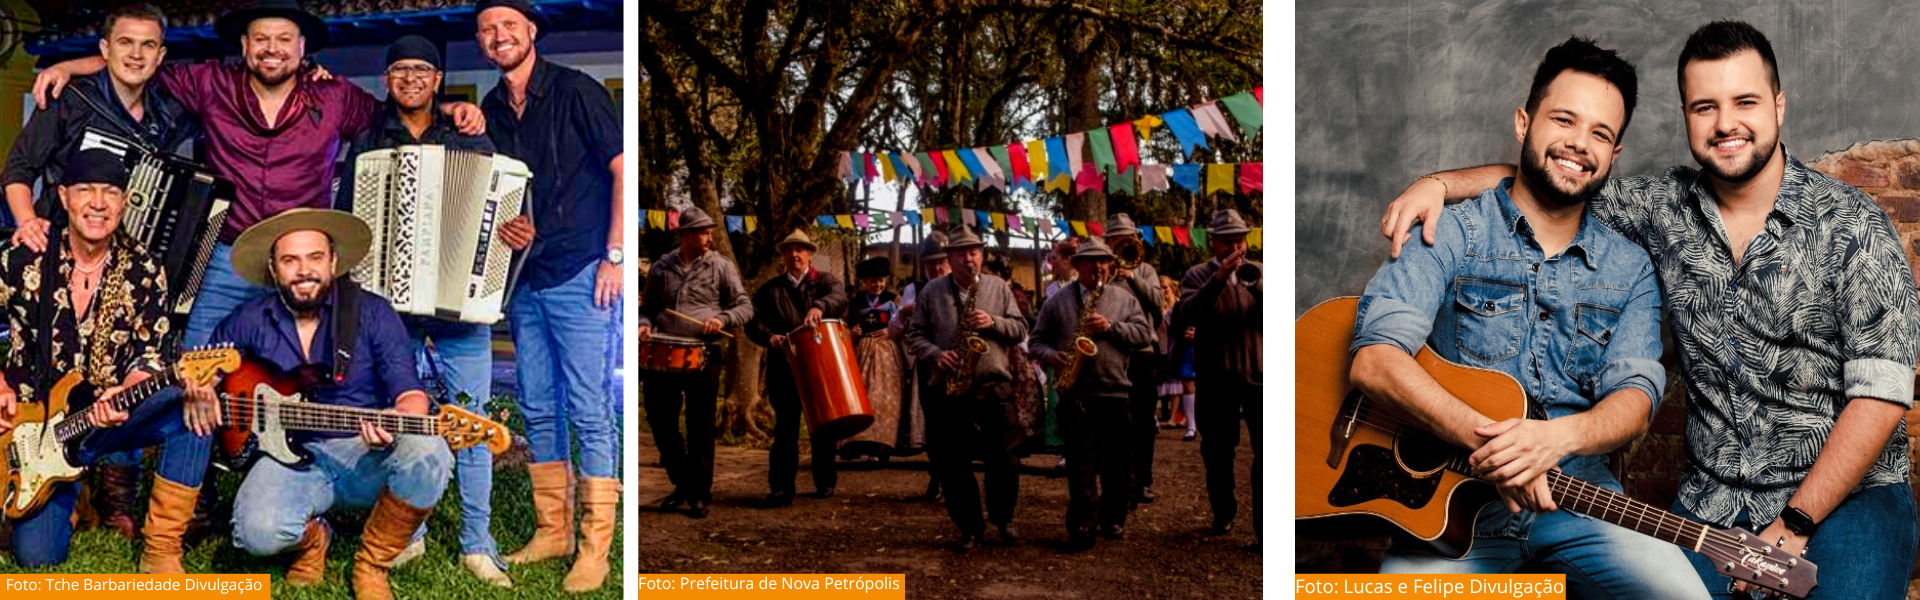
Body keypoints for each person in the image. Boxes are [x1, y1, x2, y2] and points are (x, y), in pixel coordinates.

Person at [1381, 22, 1919, 600]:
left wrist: (1797, 523)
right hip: (1712, 504)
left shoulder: (1855, 224)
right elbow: (1552, 178)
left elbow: (1881, 397)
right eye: (1705, 106)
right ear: (1686, 114)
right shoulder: (1662, 208)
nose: (1726, 124)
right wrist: (1437, 185)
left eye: (1745, 102)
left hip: (1845, 500)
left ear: (1779, 107)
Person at [1351, 36, 1721, 599]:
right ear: (1524, 123)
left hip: (1581, 499)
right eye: (1564, 120)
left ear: (1614, 155)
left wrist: (1554, 440)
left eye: (1600, 133)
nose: (1578, 144)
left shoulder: (1630, 265)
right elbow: (1375, 362)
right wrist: (1500, 452)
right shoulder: (1448, 230)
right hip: (1449, 509)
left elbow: (1636, 399)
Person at [30, 0, 487, 350]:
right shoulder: (210, 83)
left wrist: (447, 107)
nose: (273, 49)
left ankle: (291, 471)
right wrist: (67, 65)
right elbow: (137, 68)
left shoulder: (334, 97)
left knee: (304, 376)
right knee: (194, 374)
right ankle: (181, 479)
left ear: (302, 48)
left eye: (284, 39)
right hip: (226, 258)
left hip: (303, 264)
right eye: (261, 39)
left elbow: (395, 117)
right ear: (245, 46)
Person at [331, 34, 533, 588]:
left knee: (471, 421)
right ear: (388, 79)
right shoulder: (369, 140)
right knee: (403, 424)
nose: (411, 79)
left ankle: (477, 542)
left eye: (422, 70)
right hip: (388, 314)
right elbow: (348, 224)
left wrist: (513, 235)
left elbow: (498, 213)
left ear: (439, 79)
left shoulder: (470, 136)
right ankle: (407, 537)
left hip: (459, 311)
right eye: (400, 70)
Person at [0, 2, 201, 543]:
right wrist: (25, 225)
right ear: (104, 49)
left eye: (148, 46)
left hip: (126, 260)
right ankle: (54, 469)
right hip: (51, 253)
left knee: (140, 376)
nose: (136, 54)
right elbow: (18, 171)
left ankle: (120, 492)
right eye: (124, 44)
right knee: (34, 556)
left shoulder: (167, 115)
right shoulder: (68, 97)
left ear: (161, 55)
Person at [181, 209, 448, 600]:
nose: (304, 271)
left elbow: (410, 392)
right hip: (292, 459)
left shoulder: (372, 313)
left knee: (430, 450)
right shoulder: (250, 318)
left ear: (333, 262)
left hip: (364, 454)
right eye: (290, 260)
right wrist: (201, 386)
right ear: (274, 269)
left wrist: (397, 418)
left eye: (315, 258)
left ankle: (372, 565)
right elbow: (210, 366)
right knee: (254, 533)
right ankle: (313, 539)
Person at [473, 0, 625, 590]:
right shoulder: (490, 107)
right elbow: (510, 189)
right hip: (525, 278)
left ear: (531, 32)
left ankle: (594, 548)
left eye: (509, 25)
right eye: (487, 29)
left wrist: (613, 258)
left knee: (589, 409)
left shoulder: (576, 90)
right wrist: (515, 224)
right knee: (538, 405)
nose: (498, 36)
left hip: (581, 271)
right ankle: (553, 530)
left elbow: (620, 168)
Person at [0, 149, 203, 571]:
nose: (97, 203)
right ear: (63, 196)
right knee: (37, 559)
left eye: (110, 192)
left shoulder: (144, 268)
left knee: (194, 407)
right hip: (33, 429)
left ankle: (161, 548)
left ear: (125, 202)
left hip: (108, 414)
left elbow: (150, 350)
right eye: (85, 191)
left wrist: (130, 388)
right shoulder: (24, 257)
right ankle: (74, 493)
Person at [903, 227, 1030, 552]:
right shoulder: (932, 292)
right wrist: (935, 353)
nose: (968, 259)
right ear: (950, 259)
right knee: (953, 461)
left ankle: (1003, 517)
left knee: (1004, 456)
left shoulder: (999, 287)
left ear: (982, 255)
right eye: (961, 253)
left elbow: (1020, 329)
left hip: (993, 383)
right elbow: (914, 334)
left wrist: (993, 323)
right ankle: (969, 526)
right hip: (950, 387)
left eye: (974, 252)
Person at [1030, 238, 1153, 552]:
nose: (1098, 266)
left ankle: (1113, 518)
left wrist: (1112, 327)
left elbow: (1143, 335)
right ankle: (1083, 525)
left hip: (1115, 393)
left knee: (1117, 463)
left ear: (1110, 265)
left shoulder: (1124, 300)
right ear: (1077, 265)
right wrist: (1050, 355)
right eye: (1091, 261)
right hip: (1076, 394)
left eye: (1104, 261)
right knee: (1080, 464)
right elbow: (1036, 341)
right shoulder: (1057, 302)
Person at [637, 207, 752, 520]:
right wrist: (644, 324)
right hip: (662, 354)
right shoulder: (661, 267)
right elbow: (646, 308)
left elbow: (744, 307)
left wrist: (722, 318)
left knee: (700, 426)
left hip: (704, 351)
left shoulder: (721, 266)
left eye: (711, 231)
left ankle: (699, 494)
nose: (710, 237)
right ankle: (683, 482)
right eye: (703, 232)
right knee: (660, 421)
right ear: (686, 235)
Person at [1178, 208, 1265, 550]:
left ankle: (1265, 530)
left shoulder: (1261, 271)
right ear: (1213, 242)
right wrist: (1219, 278)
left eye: (1239, 238)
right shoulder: (1196, 275)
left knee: (1268, 454)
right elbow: (1188, 313)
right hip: (1216, 378)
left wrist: (1257, 287)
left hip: (1261, 377)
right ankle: (1223, 512)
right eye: (1227, 240)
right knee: (1217, 452)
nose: (1235, 246)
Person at [745, 229, 849, 506]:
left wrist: (819, 306)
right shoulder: (770, 289)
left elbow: (840, 298)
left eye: (800, 249)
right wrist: (769, 337)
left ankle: (825, 481)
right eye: (790, 250)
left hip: (820, 364)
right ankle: (780, 488)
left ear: (809, 254)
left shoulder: (826, 282)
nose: (795, 255)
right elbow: (752, 321)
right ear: (783, 255)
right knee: (785, 429)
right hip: (784, 366)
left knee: (824, 426)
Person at [1100, 214, 1164, 507]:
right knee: (1114, 423)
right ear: (1108, 242)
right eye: (1117, 238)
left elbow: (1158, 303)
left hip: (1142, 354)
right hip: (1112, 354)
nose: (1124, 242)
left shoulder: (1146, 270)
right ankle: (1121, 482)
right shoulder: (1102, 272)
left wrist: (1133, 277)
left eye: (1129, 237)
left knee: (1143, 422)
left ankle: (1145, 480)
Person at [891, 232, 948, 501]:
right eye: (931, 262)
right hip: (929, 366)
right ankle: (937, 477)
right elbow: (893, 331)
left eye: (942, 261)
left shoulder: (963, 284)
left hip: (963, 363)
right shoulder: (914, 289)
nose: (937, 268)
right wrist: (902, 313)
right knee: (935, 424)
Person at [842, 256, 906, 460]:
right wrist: (854, 330)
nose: (877, 285)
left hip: (886, 351)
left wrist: (891, 332)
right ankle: (858, 444)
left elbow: (903, 324)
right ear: (865, 282)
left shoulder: (893, 299)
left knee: (884, 398)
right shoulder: (855, 302)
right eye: (872, 281)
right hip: (861, 351)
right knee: (863, 395)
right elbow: (845, 324)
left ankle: (881, 446)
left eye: (880, 280)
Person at [1157, 275, 1197, 441]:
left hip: (1203, 349)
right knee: (1187, 386)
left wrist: (1198, 334)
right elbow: (1173, 330)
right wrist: (1184, 334)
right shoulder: (1180, 306)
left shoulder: (1206, 303)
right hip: (1185, 349)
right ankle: (1191, 426)